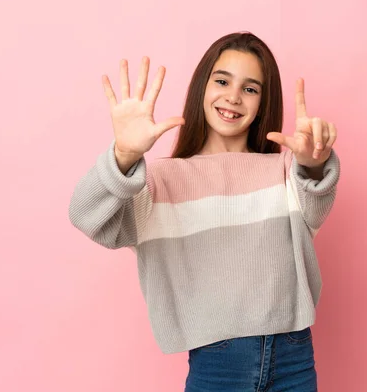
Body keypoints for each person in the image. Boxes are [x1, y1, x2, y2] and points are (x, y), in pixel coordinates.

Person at [69, 31, 339, 392]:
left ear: (263, 102)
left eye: (250, 88)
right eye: (223, 80)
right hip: (218, 366)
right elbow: (86, 215)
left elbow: (316, 199)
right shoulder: (159, 181)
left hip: (295, 358)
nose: (233, 96)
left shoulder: (286, 171)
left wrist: (315, 163)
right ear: (202, 86)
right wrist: (124, 155)